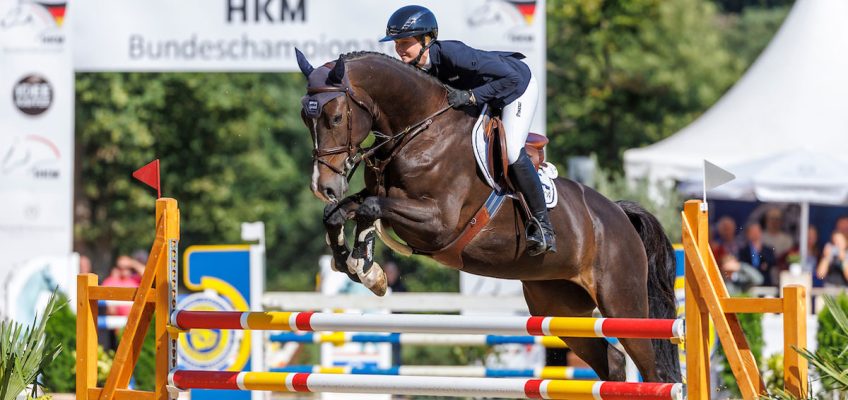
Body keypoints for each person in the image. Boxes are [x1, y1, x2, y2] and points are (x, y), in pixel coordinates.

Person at [379, 5, 555, 256]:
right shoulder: (416, 70)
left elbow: (510, 80)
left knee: (513, 151)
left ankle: (543, 226)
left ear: (426, 40)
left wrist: (472, 97)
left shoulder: (453, 54)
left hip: (517, 88)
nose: (399, 49)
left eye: (405, 42)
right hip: (487, 95)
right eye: (396, 43)